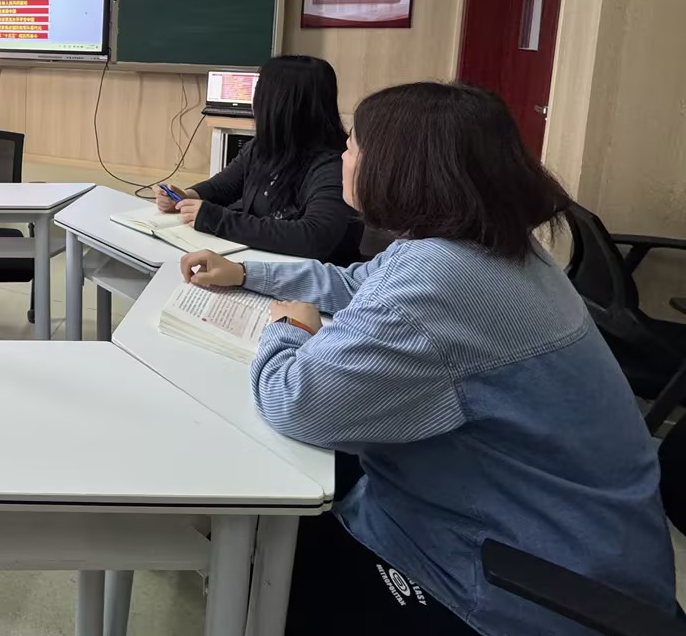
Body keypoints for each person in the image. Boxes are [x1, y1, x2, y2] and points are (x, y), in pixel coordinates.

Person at [179, 82, 675, 636]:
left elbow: (295, 402)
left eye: (352, 147)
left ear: (397, 170)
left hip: (513, 586)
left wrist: (289, 331)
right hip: (569, 542)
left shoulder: (441, 278)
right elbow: (357, 283)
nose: (342, 156)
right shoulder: (490, 246)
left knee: (258, 529)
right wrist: (248, 272)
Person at [158, 55, 361, 263]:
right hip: (258, 262)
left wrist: (218, 220)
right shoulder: (263, 147)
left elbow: (313, 238)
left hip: (309, 277)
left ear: (278, 105)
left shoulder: (334, 165)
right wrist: (185, 197)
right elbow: (223, 186)